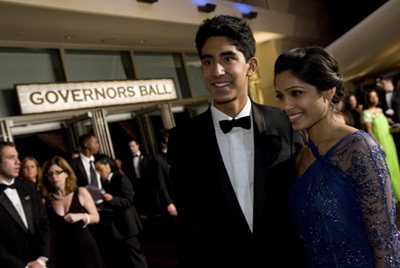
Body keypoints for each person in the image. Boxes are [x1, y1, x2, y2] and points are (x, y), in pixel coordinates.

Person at [167, 15, 306, 268]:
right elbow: (187, 224)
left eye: (228, 58)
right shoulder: (183, 139)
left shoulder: (286, 123)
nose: (217, 71)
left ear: (251, 66)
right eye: (208, 61)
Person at [274, 45, 400, 267]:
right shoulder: (301, 157)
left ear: (328, 91)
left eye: (296, 93)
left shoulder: (359, 148)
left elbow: (386, 246)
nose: (285, 106)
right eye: (280, 96)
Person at [41, 156, 103, 268]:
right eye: (50, 174)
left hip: (86, 249)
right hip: (63, 253)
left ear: (66, 173)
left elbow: (96, 217)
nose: (54, 176)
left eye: (58, 172)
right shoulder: (46, 201)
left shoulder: (80, 192)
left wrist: (81, 216)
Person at [0, 142, 50, 268]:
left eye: (17, 157)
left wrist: (42, 259)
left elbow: (44, 224)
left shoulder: (29, 187)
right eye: (11, 157)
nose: (18, 162)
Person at [94, 155, 148, 268]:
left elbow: (128, 201)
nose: (99, 173)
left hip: (128, 225)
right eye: (97, 170)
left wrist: (112, 199)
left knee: (136, 257)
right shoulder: (106, 182)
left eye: (100, 169)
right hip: (117, 227)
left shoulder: (121, 178)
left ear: (107, 165)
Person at [361, 89, 400, 202]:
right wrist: (379, 146)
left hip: (389, 142)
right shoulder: (366, 113)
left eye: (376, 96)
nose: (375, 99)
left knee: (394, 166)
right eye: (372, 97)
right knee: (386, 169)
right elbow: (369, 131)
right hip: (380, 144)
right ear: (368, 100)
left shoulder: (380, 110)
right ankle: (392, 197)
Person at [123, 139, 158, 218]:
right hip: (137, 184)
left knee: (151, 200)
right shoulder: (128, 160)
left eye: (133, 146)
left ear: (137, 146)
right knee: (141, 201)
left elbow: (152, 170)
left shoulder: (147, 156)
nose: (131, 148)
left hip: (148, 183)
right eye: (130, 147)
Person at [70, 134, 103, 202]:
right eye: (95, 142)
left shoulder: (101, 159)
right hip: (86, 202)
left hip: (105, 202)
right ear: (86, 145)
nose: (98, 145)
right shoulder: (74, 164)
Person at [154, 129, 177, 217]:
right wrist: (169, 203)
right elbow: (161, 185)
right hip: (173, 201)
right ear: (163, 143)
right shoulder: (158, 160)